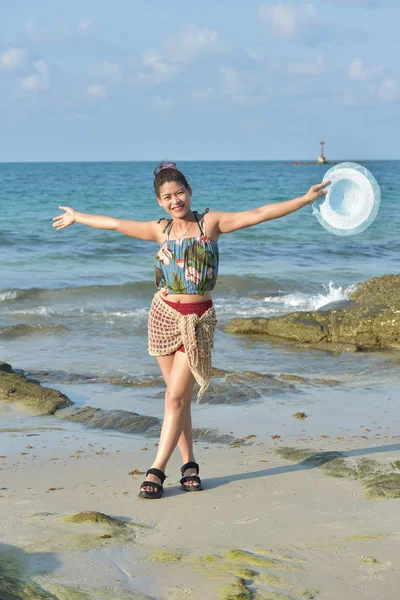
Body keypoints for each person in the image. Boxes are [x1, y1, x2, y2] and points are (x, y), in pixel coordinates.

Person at [53, 162, 329, 499]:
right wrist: (77, 216)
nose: (175, 200)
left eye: (179, 192)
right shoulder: (160, 230)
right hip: (163, 315)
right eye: (167, 196)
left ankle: (156, 469)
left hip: (198, 320)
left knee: (174, 397)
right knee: (177, 398)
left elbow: (258, 213)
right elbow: (116, 224)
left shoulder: (209, 224)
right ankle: (190, 464)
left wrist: (303, 200)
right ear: (160, 202)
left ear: (190, 192)